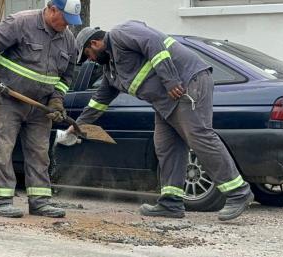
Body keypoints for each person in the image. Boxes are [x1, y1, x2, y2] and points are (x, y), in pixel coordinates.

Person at [62, 21, 253, 221]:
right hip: (165, 101)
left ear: (94, 43)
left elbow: (153, 43)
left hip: (186, 83)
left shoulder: (121, 33)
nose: (90, 60)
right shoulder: (111, 70)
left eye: (88, 56)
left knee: (199, 136)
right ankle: (171, 202)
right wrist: (76, 127)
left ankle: (238, 191)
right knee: (165, 145)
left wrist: (170, 80)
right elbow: (99, 101)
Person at [0, 0, 80, 218]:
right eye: (66, 19)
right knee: (3, 149)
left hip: (41, 107)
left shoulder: (68, 39)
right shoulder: (21, 22)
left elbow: (67, 76)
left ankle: (40, 202)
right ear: (52, 10)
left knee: (40, 153)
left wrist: (57, 99)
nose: (68, 26)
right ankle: (2, 201)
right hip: (10, 100)